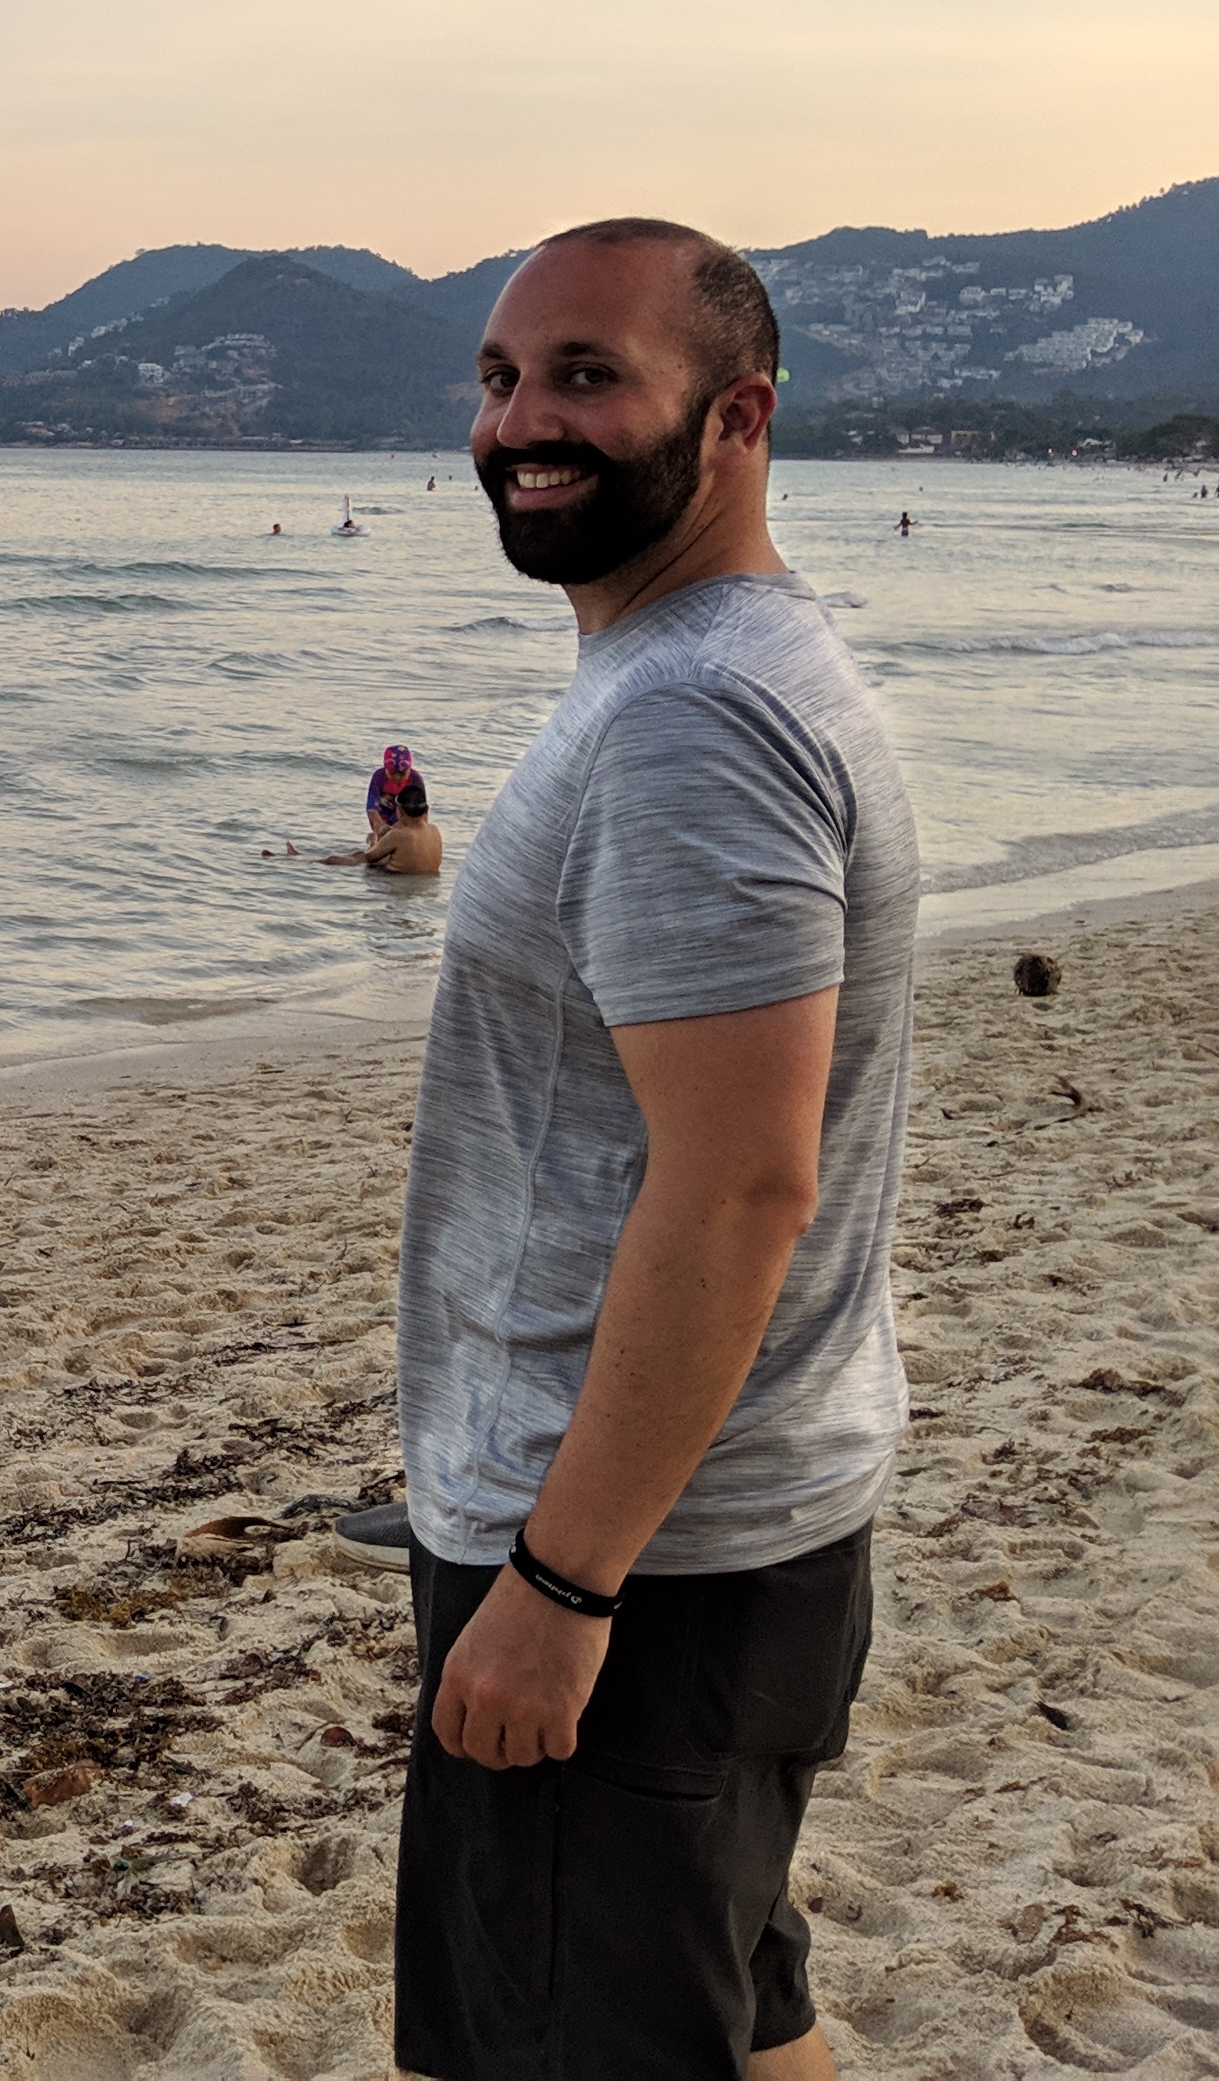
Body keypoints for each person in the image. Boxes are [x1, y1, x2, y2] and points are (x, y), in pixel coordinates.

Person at [395, 219, 915, 2080]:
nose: (520, 421)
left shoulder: (694, 712)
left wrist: (560, 1583)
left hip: (638, 1551)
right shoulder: (712, 667)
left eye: (588, 376)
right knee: (741, 2010)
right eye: (499, 376)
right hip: (723, 1520)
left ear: (739, 416)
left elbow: (740, 1179)